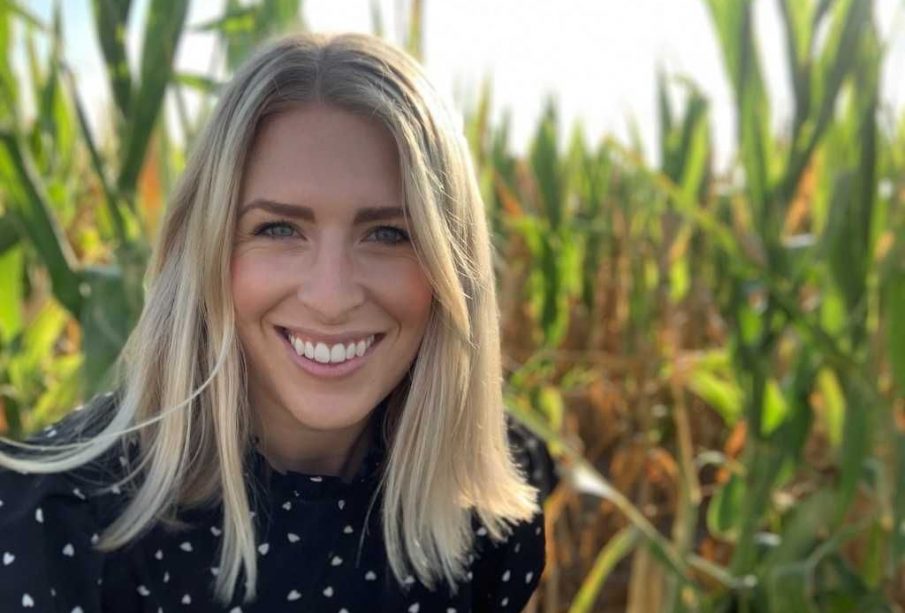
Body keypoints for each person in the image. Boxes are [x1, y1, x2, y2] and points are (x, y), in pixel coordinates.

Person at [0, 32, 557, 612]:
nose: (331, 297)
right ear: (204, 248)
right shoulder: (49, 530)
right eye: (279, 229)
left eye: (389, 234)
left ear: (453, 266)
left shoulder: (486, 506)